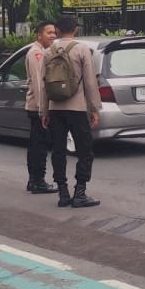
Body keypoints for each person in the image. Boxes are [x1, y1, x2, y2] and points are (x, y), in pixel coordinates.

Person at [41, 16, 102, 208]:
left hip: (55, 110)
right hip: (76, 109)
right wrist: (94, 108)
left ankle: (63, 193)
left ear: (57, 30)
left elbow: (44, 85)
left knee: (58, 151)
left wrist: (44, 111)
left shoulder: (48, 51)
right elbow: (91, 82)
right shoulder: (82, 49)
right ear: (75, 30)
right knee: (85, 151)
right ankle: (80, 192)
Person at [22, 21, 59, 194]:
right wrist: (43, 110)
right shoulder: (36, 53)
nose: (53, 35)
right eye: (49, 32)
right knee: (39, 146)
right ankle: (38, 181)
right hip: (38, 107)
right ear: (39, 35)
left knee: (37, 144)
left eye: (54, 33)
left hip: (38, 107)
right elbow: (38, 84)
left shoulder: (43, 52)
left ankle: (34, 180)